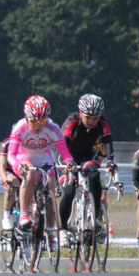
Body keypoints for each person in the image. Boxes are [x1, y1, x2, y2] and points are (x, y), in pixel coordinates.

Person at [8, 95, 75, 250]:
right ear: (27, 118)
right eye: (34, 122)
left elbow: (64, 153)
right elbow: (11, 154)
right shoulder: (20, 127)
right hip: (23, 156)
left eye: (42, 122)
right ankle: (25, 213)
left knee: (51, 189)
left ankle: (51, 234)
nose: (38, 126)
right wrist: (19, 166)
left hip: (44, 156)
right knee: (30, 174)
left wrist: (69, 162)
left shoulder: (54, 128)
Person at [58, 94, 116, 247]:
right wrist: (67, 163)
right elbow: (64, 144)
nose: (92, 121)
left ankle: (93, 216)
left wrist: (110, 162)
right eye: (88, 117)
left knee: (94, 174)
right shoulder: (72, 121)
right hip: (67, 156)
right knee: (69, 192)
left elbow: (109, 144)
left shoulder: (103, 123)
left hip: (86, 155)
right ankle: (63, 229)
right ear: (81, 112)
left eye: (95, 118)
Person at [0, 136, 20, 231]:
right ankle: (6, 215)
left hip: (24, 171)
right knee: (13, 184)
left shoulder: (31, 142)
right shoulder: (7, 143)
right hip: (9, 171)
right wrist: (5, 180)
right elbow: (2, 166)